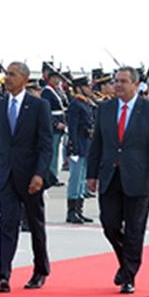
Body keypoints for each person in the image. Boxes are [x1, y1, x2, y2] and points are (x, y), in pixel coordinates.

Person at [86, 66, 149, 294]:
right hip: (110, 176)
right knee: (109, 224)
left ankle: (129, 275)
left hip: (139, 178)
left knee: (135, 229)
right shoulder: (105, 109)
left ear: (135, 84)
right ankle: (126, 262)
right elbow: (97, 145)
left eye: (123, 81)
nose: (118, 85)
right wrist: (91, 174)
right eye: (116, 81)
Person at [0, 61, 54, 293]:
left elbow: (45, 145)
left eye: (12, 75)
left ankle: (40, 270)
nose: (7, 78)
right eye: (6, 74)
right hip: (5, 175)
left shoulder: (38, 106)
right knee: (7, 225)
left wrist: (39, 174)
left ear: (24, 79)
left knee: (35, 224)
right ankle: (3, 275)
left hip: (30, 176)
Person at [65, 76, 96, 221]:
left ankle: (79, 209)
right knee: (75, 179)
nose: (90, 89)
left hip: (86, 145)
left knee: (82, 179)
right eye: (87, 86)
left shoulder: (85, 103)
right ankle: (72, 212)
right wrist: (74, 147)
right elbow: (72, 128)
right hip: (78, 146)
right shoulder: (76, 104)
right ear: (79, 88)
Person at [40, 62, 67, 187]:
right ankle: (50, 176)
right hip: (54, 126)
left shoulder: (57, 90)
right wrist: (55, 124)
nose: (58, 80)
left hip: (61, 124)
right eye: (56, 77)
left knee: (57, 152)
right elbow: (46, 112)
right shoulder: (47, 91)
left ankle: (54, 175)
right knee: (52, 152)